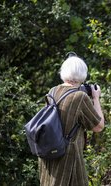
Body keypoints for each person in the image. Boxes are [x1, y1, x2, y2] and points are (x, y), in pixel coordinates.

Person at [38, 54, 105, 186]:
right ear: (82, 74)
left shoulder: (52, 91)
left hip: (49, 153)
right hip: (68, 160)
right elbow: (98, 127)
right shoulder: (79, 97)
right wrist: (96, 98)